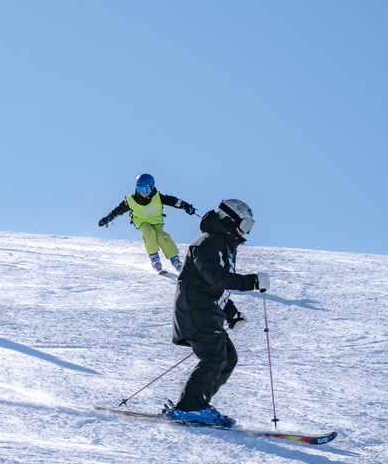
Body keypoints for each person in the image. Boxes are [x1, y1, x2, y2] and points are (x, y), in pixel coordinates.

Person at [163, 199, 270, 427]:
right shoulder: (208, 242)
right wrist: (251, 281)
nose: (245, 232)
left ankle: (198, 405)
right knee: (214, 356)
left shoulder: (223, 245)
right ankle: (190, 407)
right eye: (244, 224)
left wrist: (231, 313)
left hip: (206, 310)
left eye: (249, 227)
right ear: (229, 220)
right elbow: (214, 276)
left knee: (228, 357)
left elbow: (216, 287)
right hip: (195, 310)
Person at [98, 173, 198, 273]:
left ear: (152, 188)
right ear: (136, 189)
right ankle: (154, 259)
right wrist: (106, 219)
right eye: (140, 190)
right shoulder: (130, 201)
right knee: (149, 232)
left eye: (147, 190)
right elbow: (117, 211)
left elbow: (173, 201)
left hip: (156, 221)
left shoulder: (158, 197)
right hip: (141, 222)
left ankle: (176, 261)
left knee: (161, 235)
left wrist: (186, 206)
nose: (144, 193)